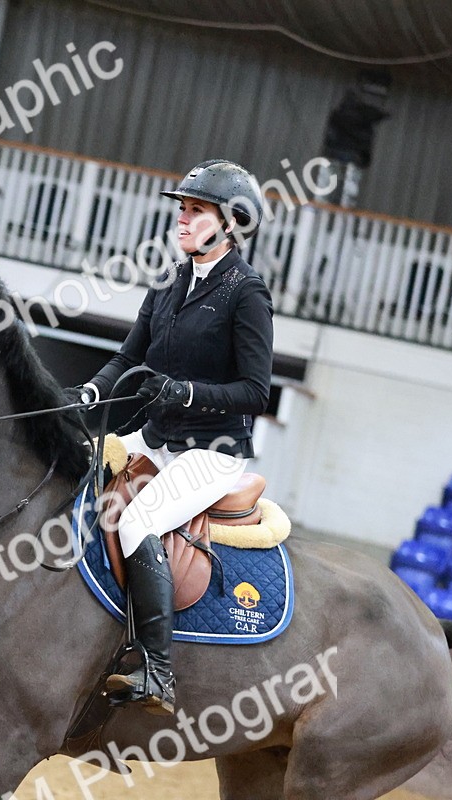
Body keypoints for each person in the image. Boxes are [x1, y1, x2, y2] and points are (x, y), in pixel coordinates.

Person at [75, 159, 274, 714]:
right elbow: (127, 356)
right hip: (156, 439)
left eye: (195, 211)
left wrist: (187, 393)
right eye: (181, 210)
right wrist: (90, 393)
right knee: (76, 470)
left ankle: (157, 670)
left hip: (211, 453)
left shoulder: (247, 294)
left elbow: (256, 391)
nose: (182, 220)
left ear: (230, 222)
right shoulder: (169, 282)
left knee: (138, 520)